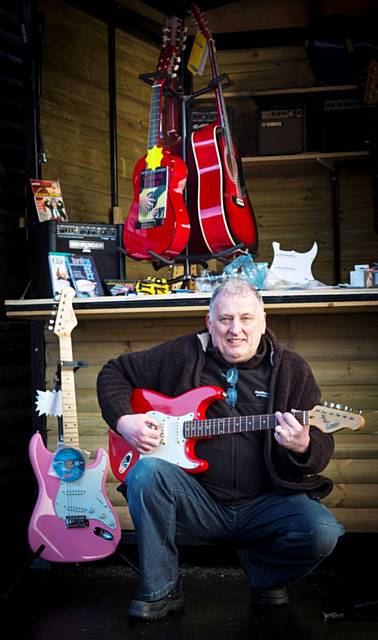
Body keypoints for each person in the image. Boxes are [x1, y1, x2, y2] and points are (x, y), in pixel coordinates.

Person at [97, 277, 344, 622]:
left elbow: (321, 444)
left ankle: (263, 575)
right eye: (225, 319)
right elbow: (114, 372)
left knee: (322, 531)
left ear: (263, 321)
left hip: (265, 504)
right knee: (148, 472)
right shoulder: (183, 354)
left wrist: (304, 445)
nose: (235, 330)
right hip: (200, 502)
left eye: (246, 319)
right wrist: (125, 421)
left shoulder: (292, 369)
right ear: (209, 323)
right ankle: (162, 589)